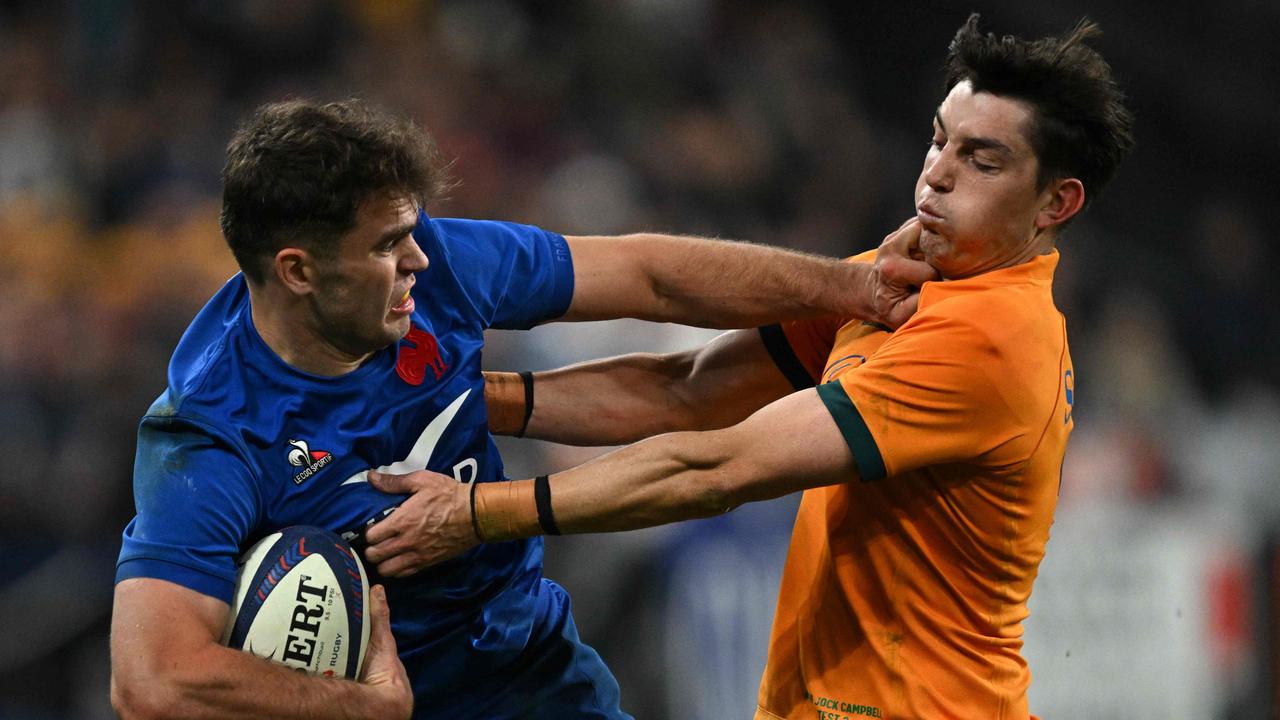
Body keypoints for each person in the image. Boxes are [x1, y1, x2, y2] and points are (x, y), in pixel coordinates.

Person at [360, 14, 1135, 719]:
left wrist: (476, 513)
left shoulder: (989, 338)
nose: (936, 173)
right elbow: (688, 392)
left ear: (1055, 204)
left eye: (982, 160)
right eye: (939, 139)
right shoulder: (908, 281)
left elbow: (715, 467)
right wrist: (460, 396)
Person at [108, 99, 935, 720]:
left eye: (411, 231)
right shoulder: (209, 434)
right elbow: (151, 678)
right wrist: (368, 705)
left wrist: (850, 284)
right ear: (296, 271)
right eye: (386, 245)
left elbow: (648, 274)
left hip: (534, 670)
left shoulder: (441, 270)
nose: (417, 257)